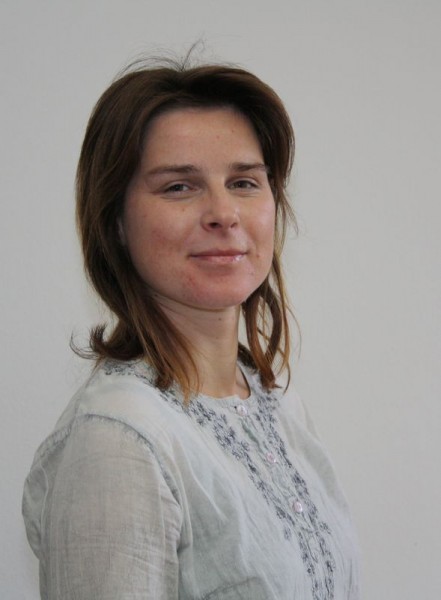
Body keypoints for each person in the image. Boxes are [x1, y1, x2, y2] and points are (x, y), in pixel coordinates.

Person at [22, 58, 360, 599]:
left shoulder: (277, 407)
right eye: (179, 186)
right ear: (116, 222)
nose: (224, 212)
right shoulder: (118, 440)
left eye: (244, 182)